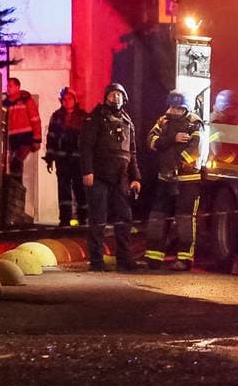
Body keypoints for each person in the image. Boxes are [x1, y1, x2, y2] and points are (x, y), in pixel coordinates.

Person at [81, 83, 140, 272]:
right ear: (106, 96)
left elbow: (132, 153)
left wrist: (135, 177)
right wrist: (87, 171)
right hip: (99, 177)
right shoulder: (96, 117)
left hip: (120, 178)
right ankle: (96, 261)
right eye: (113, 94)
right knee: (98, 219)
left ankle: (124, 259)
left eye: (120, 94)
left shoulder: (127, 121)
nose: (116, 98)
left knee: (125, 218)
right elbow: (86, 147)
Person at [144, 92, 203, 269]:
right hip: (165, 178)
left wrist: (180, 163)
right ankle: (154, 257)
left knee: (185, 218)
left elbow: (195, 148)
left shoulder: (194, 123)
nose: (173, 111)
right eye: (172, 107)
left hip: (187, 180)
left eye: (178, 108)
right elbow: (151, 141)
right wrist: (172, 139)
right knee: (158, 217)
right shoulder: (163, 121)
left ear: (185, 108)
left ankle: (184, 259)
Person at [44, 87, 87, 228]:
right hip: (62, 158)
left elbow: (89, 140)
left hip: (78, 158)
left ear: (75, 100)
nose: (67, 101)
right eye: (64, 99)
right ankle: (65, 218)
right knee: (63, 188)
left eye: (70, 98)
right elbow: (51, 137)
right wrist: (49, 157)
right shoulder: (56, 116)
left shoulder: (83, 117)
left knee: (80, 188)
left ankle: (83, 217)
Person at [1, 78, 42, 226]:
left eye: (11, 85)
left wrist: (37, 140)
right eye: (8, 85)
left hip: (24, 138)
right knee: (12, 167)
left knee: (16, 163)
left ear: (18, 87)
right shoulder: (6, 103)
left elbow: (35, 120)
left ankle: (17, 193)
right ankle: (15, 193)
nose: (8, 87)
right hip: (11, 139)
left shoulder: (26, 101)